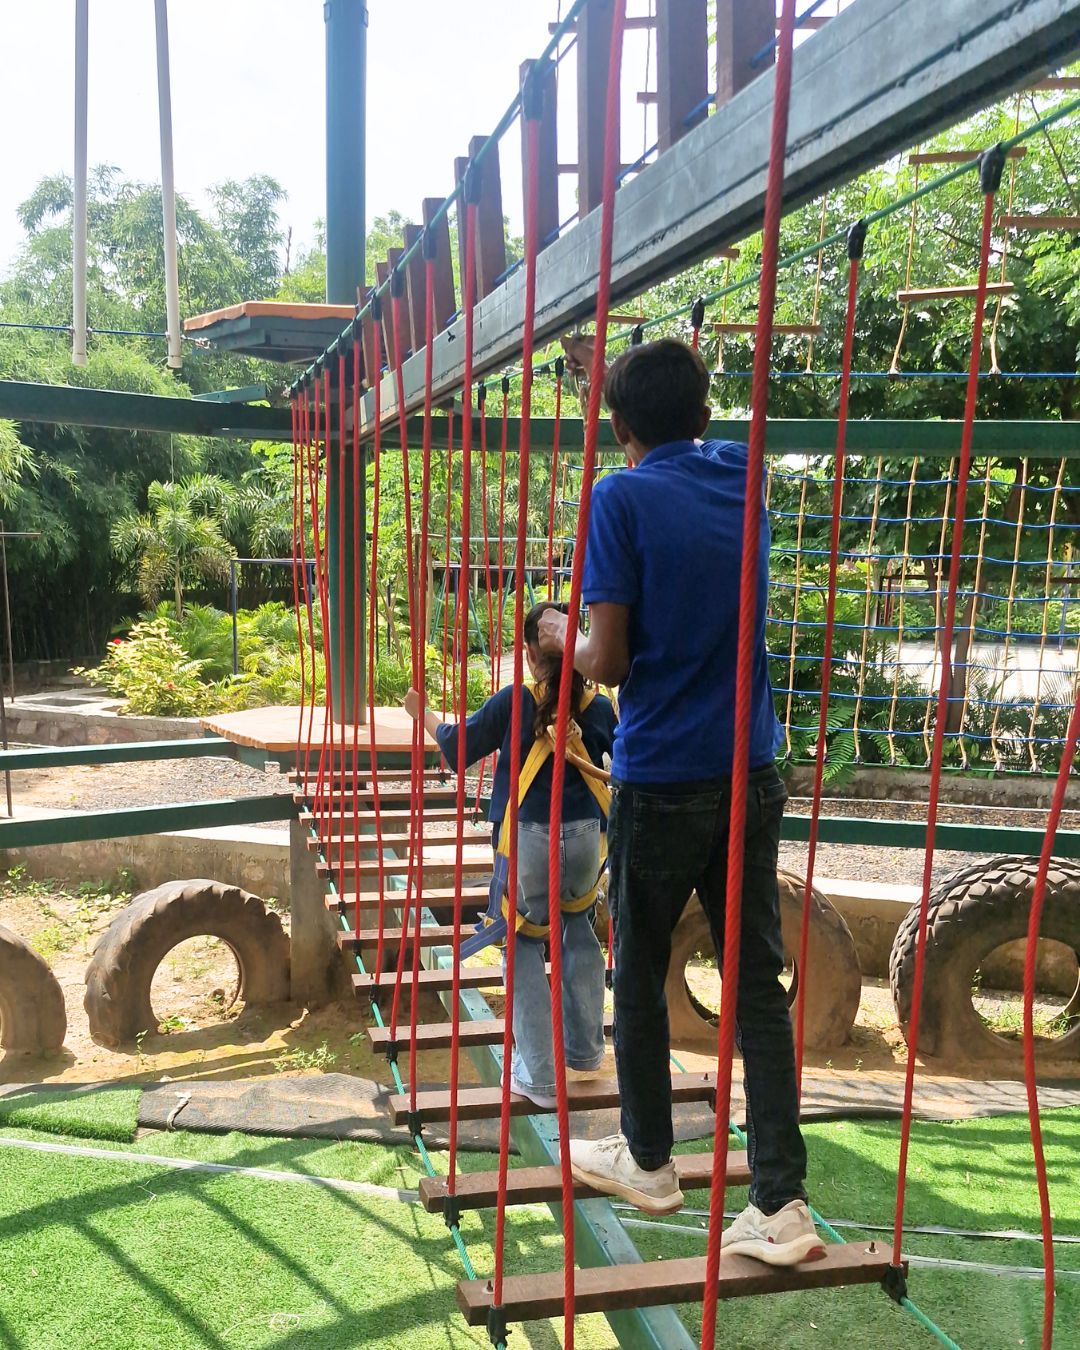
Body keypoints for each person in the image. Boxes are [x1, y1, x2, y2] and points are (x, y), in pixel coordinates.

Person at [539, 337, 823, 1261]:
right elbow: (699, 439)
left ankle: (652, 1158)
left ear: (618, 429)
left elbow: (610, 660)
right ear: (704, 419)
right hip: (750, 771)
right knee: (755, 985)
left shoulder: (617, 494)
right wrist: (625, 386)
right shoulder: (745, 478)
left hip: (661, 778)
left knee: (641, 970)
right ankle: (781, 1201)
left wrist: (558, 633)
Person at [403, 600, 617, 1110]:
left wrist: (423, 715)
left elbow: (457, 748)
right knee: (578, 926)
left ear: (526, 655)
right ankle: (585, 1053)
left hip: (528, 840)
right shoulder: (602, 708)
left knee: (523, 943)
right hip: (588, 837)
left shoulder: (512, 702)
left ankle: (541, 1077)